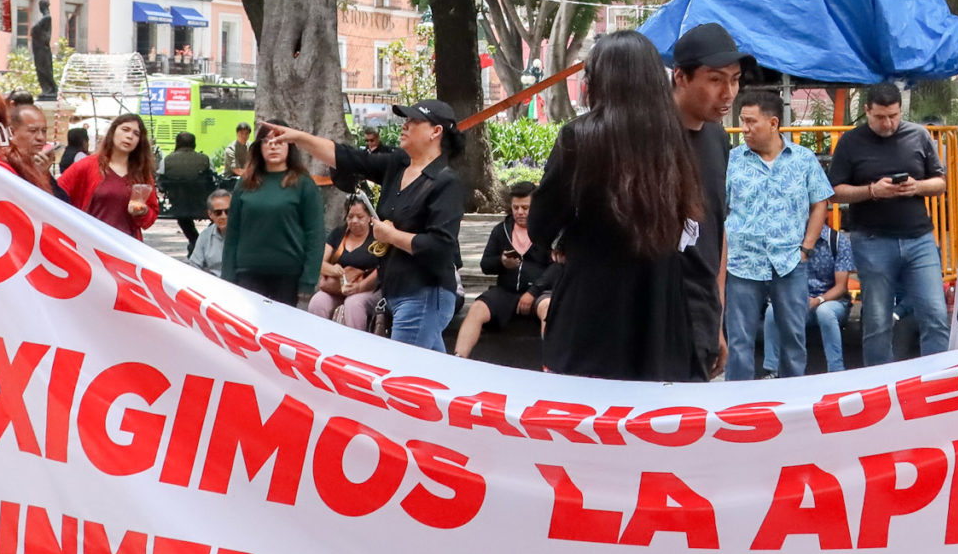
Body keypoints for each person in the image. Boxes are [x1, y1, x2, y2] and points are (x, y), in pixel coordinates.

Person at [525, 31, 704, 380]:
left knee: (587, 420)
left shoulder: (579, 137)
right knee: (652, 421)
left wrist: (567, 237)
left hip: (591, 306)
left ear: (599, 82)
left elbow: (540, 226)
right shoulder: (673, 139)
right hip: (659, 309)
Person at [264, 101, 468, 352]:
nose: (405, 126)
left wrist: (392, 236)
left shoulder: (446, 182)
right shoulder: (399, 164)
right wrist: (298, 138)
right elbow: (348, 157)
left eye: (414, 122)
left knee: (404, 376)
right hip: (396, 290)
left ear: (435, 132)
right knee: (431, 374)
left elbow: (441, 246)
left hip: (424, 292)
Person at [828, 81, 949, 365]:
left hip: (918, 237)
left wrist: (916, 187)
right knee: (878, 320)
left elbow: (940, 182)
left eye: (893, 116)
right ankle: (880, 385)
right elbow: (833, 192)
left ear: (900, 110)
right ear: (867, 111)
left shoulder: (919, 135)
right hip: (871, 239)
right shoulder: (850, 141)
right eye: (880, 117)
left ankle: (937, 380)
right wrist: (872, 191)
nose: (888, 123)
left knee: (935, 313)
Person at [723, 91, 832, 381]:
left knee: (794, 339)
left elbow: (820, 201)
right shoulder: (732, 160)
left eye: (750, 122)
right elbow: (718, 207)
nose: (744, 128)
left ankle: (791, 401)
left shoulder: (803, 159)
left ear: (773, 123)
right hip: (743, 263)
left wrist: (806, 248)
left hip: (789, 263)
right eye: (742, 121)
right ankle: (738, 406)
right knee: (739, 341)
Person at [669, 22, 742, 375]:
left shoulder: (717, 137)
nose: (728, 92)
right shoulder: (647, 137)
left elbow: (718, 225)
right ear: (681, 77)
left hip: (702, 311)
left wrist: (717, 315)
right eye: (715, 80)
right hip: (652, 313)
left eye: (735, 79)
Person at [221, 131, 319, 306]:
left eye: (280, 141)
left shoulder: (304, 184)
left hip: (289, 277)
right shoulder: (245, 183)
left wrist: (308, 279)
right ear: (259, 147)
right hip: (248, 273)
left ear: (290, 146)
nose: (273, 146)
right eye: (267, 141)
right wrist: (227, 276)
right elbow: (233, 232)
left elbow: (315, 233)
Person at [452, 183, 544, 356]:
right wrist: (501, 262)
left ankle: (551, 365)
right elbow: (485, 265)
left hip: (538, 292)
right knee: (477, 308)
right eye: (516, 207)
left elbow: (555, 269)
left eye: (525, 208)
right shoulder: (501, 231)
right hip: (506, 290)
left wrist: (533, 291)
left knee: (548, 307)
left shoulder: (545, 232)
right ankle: (459, 358)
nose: (520, 212)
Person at [58, 113, 159, 238]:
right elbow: (56, 194)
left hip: (126, 248)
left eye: (136, 134)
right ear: (113, 132)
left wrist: (143, 212)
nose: (129, 136)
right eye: (125, 129)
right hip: (89, 245)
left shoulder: (142, 173)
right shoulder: (87, 165)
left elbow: (150, 217)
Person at [782, 222, 855, 376]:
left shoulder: (837, 241)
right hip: (799, 299)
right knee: (772, 311)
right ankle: (773, 369)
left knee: (825, 312)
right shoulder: (789, 239)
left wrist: (818, 300)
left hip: (831, 301)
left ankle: (836, 371)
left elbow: (841, 287)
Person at [310, 194, 382, 331]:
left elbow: (381, 268)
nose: (354, 221)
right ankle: (317, 340)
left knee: (353, 305)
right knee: (317, 302)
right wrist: (333, 270)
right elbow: (319, 262)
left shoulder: (376, 237)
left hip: (368, 288)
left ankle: (354, 346)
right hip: (337, 287)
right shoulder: (338, 234)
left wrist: (360, 287)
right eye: (350, 217)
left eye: (360, 217)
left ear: (369, 218)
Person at [161, 131, 218, 246]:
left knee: (183, 220)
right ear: (194, 144)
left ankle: (195, 241)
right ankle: (202, 240)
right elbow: (214, 179)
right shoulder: (204, 159)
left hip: (178, 204)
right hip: (202, 203)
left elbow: (161, 181)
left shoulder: (166, 161)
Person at [190, 190, 231, 272]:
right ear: (210, 214)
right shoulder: (205, 236)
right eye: (218, 212)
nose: (223, 216)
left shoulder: (246, 234)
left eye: (228, 212)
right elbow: (194, 267)